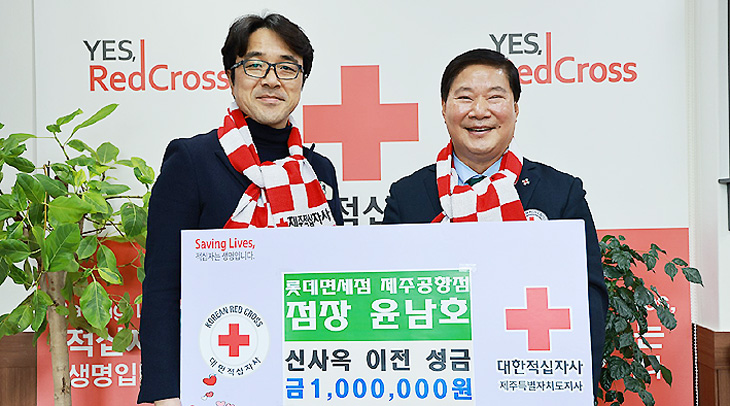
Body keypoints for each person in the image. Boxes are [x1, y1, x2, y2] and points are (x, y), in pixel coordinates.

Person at [137, 13, 344, 405]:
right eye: (255, 65)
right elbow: (162, 287)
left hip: (309, 375)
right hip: (216, 371)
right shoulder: (193, 161)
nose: (271, 80)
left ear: (301, 81)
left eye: (287, 68)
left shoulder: (319, 172)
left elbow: (333, 279)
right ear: (231, 76)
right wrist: (165, 393)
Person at [382, 49, 608, 395]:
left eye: (495, 97)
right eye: (465, 97)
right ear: (443, 108)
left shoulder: (560, 193)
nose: (479, 111)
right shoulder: (408, 196)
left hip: (530, 379)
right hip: (437, 379)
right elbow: (389, 298)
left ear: (515, 109)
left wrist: (576, 390)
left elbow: (588, 301)